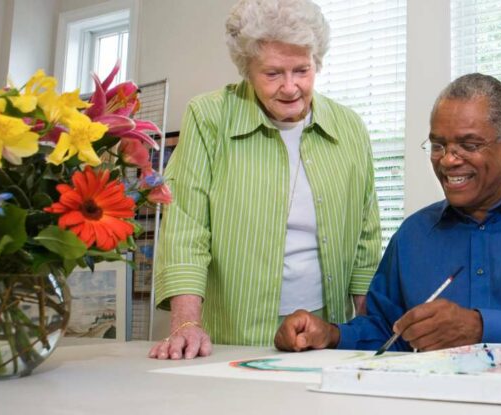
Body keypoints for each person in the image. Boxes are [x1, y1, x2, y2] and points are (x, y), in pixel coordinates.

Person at [274, 73, 501, 352]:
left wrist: (480, 326)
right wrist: (331, 335)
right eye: (438, 146)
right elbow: (386, 330)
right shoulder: (413, 235)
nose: (449, 160)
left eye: (469, 145)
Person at [149, 0, 381, 359]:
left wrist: (368, 335)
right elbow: (186, 228)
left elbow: (366, 239)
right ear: (246, 69)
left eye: (302, 71)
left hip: (325, 332)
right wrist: (185, 324)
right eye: (272, 74)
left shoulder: (349, 128)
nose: (290, 87)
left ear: (316, 62)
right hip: (236, 333)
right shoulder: (208, 117)